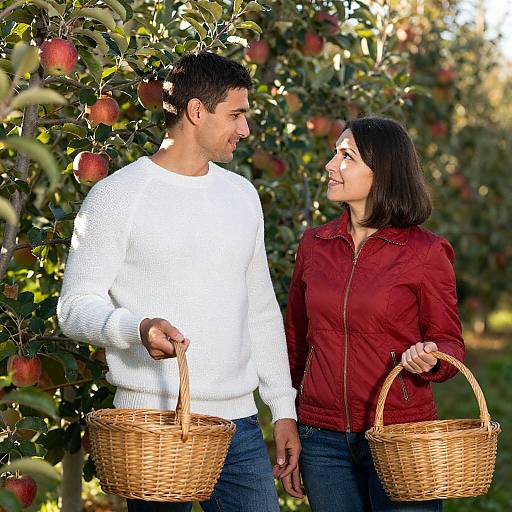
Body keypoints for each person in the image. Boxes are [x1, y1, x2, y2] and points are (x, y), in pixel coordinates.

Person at [57, 51, 301, 512]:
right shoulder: (115, 197)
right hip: (154, 425)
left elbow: (262, 311)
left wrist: (282, 407)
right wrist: (136, 329)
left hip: (238, 427)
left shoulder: (242, 196)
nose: (244, 130)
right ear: (195, 112)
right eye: (236, 115)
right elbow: (73, 307)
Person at [284, 116, 465, 511]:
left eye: (346, 156)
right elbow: (295, 340)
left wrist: (433, 359)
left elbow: (451, 342)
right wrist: (290, 420)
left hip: (399, 434)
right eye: (335, 154)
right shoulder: (315, 244)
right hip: (322, 437)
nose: (331, 166)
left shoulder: (425, 252)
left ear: (381, 170)